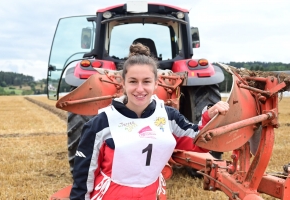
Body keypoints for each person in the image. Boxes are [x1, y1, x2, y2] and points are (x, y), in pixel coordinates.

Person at [69, 43, 229, 200]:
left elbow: (198, 142)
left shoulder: (169, 117)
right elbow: (83, 178)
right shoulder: (101, 124)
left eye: (146, 81)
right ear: (123, 83)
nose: (140, 89)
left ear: (155, 83)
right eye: (133, 81)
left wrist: (210, 116)